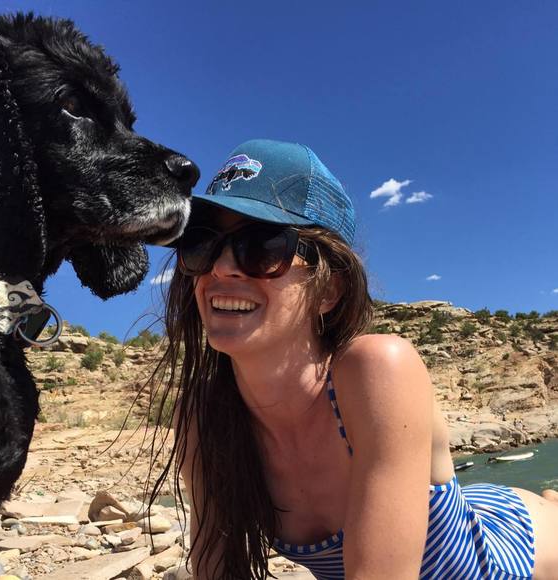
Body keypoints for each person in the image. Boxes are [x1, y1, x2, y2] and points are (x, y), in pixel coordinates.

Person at [154, 139, 558, 579]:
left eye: (261, 245)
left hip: (520, 547)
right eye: (202, 243)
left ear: (329, 289)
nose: (221, 267)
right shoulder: (205, 420)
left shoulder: (377, 370)